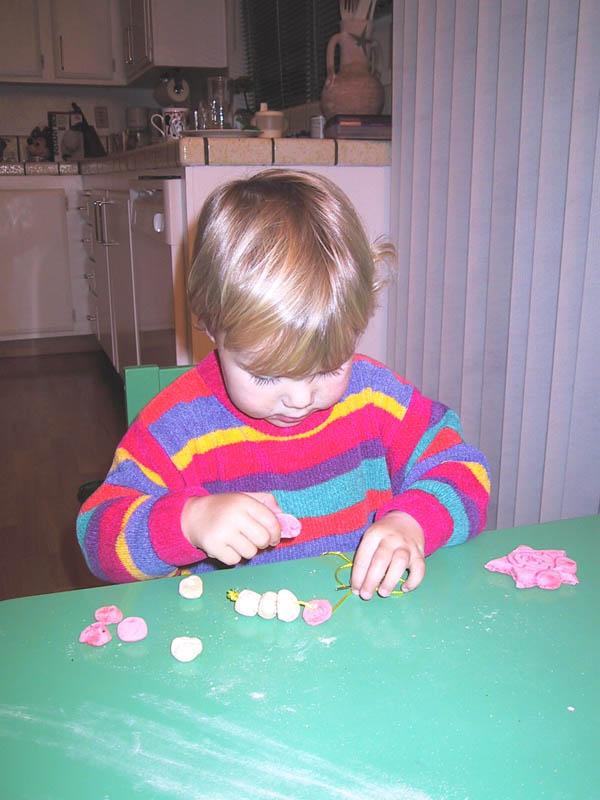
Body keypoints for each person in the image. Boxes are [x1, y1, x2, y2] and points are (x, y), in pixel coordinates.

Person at [77, 169, 490, 600]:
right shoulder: (177, 426)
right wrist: (188, 521)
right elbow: (98, 537)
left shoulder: (376, 397)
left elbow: (465, 470)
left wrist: (412, 522)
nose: (300, 399)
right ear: (211, 326)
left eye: (330, 368)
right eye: (266, 375)